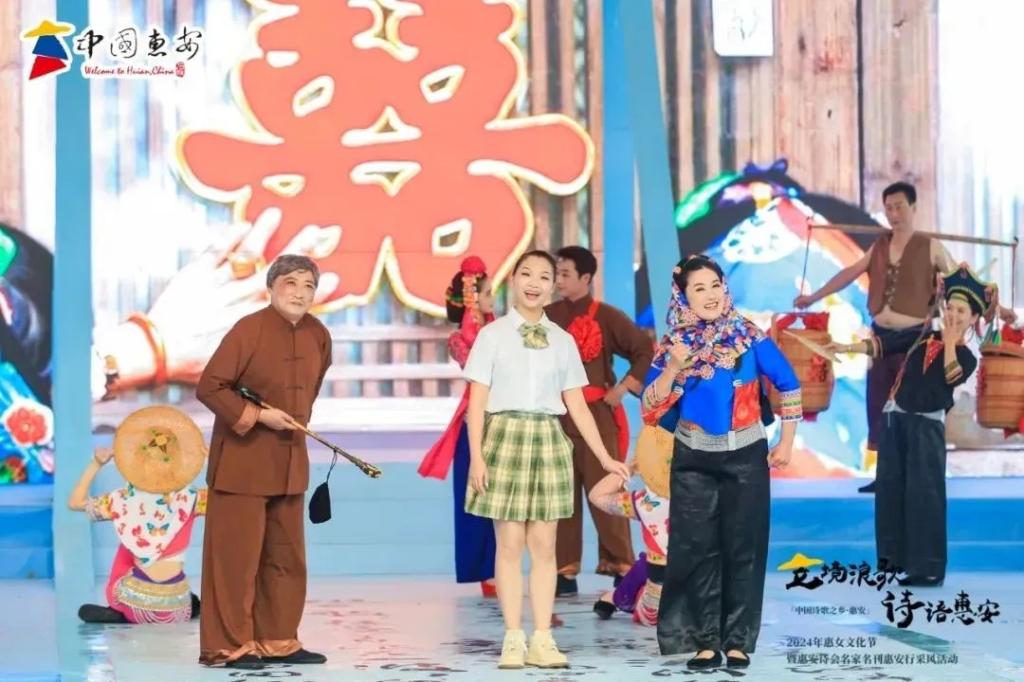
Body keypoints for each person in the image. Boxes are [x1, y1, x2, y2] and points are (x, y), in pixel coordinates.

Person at [462, 250, 630, 669]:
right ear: (513, 280)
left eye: (544, 276)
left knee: (544, 547)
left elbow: (577, 404)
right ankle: (512, 638)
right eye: (526, 274)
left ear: (554, 285)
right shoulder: (493, 335)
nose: (534, 283)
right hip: (504, 438)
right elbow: (476, 402)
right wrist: (477, 457)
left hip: (549, 440)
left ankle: (542, 638)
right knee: (509, 545)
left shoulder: (562, 339)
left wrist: (605, 457)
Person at [794, 182, 1015, 493]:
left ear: (913, 207)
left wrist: (1000, 311)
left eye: (899, 206)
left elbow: (963, 286)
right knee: (880, 405)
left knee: (910, 406)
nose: (894, 214)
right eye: (889, 208)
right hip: (881, 335)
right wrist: (813, 297)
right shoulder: (880, 246)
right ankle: (885, 475)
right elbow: (849, 273)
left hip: (915, 339)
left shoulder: (931, 246)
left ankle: (914, 474)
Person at [642, 255, 802, 670]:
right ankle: (705, 642)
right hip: (692, 458)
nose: (710, 295)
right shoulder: (674, 344)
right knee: (696, 549)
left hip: (746, 457)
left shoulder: (748, 336)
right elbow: (649, 405)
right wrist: (673, 367)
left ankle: (737, 641)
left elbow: (789, 384)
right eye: (699, 288)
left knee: (743, 548)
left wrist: (786, 442)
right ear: (683, 297)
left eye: (715, 285)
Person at [196, 254, 333, 670]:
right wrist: (257, 416)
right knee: (234, 562)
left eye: (308, 286)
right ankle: (229, 647)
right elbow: (210, 387)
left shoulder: (319, 335)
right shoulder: (248, 329)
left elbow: (311, 390)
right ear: (271, 287)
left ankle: (278, 641)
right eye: (291, 283)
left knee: (286, 559)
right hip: (242, 464)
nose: (300, 293)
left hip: (290, 464)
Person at [831, 263, 993, 587]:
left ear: (973, 317)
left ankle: (928, 568)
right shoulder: (923, 335)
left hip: (925, 428)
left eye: (961, 311)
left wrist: (950, 341)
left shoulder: (967, 356)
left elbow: (951, 376)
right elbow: (885, 344)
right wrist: (845, 347)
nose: (953, 315)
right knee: (891, 491)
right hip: (895, 419)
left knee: (924, 496)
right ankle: (893, 561)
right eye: (950, 308)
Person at [546, 245, 652, 596]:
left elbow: (644, 349)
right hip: (556, 418)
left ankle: (621, 566)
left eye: (565, 274)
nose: (559, 280)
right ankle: (563, 571)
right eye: (556, 274)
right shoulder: (546, 316)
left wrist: (623, 388)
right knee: (561, 495)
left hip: (596, 416)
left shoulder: (606, 316)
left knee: (605, 491)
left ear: (586, 278)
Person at [68, 405, 207, 623]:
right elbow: (228, 498)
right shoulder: (192, 497)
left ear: (137, 461)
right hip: (179, 609)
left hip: (137, 608)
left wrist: (96, 464)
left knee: (129, 542)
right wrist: (213, 459)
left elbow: (75, 503)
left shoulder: (121, 499)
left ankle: (120, 611)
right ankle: (192, 603)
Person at [418, 255, 498, 596]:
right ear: (472, 298)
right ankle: (488, 573)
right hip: (479, 420)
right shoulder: (461, 339)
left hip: (502, 418)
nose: (494, 297)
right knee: (478, 498)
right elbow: (480, 372)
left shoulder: (500, 329)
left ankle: (500, 570)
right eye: (489, 292)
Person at [587, 421, 675, 626]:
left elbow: (597, 496)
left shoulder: (646, 502)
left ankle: (614, 597)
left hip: (659, 606)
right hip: (698, 598)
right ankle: (617, 597)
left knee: (647, 565)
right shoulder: (712, 498)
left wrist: (630, 468)